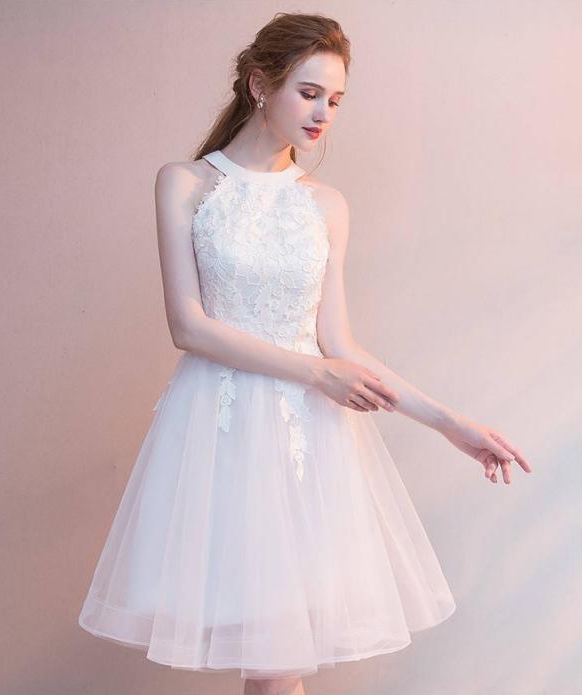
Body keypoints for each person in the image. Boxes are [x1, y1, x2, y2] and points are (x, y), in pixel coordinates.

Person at [78, 12, 532, 695]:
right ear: (261, 85)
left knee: (278, 665)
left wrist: (451, 424)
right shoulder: (186, 184)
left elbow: (341, 344)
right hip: (220, 436)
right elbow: (188, 327)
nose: (324, 114)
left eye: (335, 100)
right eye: (309, 92)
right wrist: (317, 371)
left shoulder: (326, 206)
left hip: (305, 446)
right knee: (271, 666)